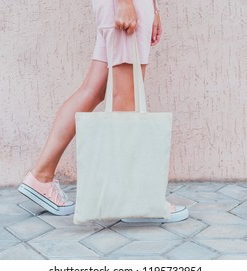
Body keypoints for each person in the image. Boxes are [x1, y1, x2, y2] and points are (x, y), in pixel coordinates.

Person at [18, 0, 189, 223]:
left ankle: (40, 177)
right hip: (127, 4)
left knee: (94, 89)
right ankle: (132, 201)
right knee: (127, 96)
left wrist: (154, 7)